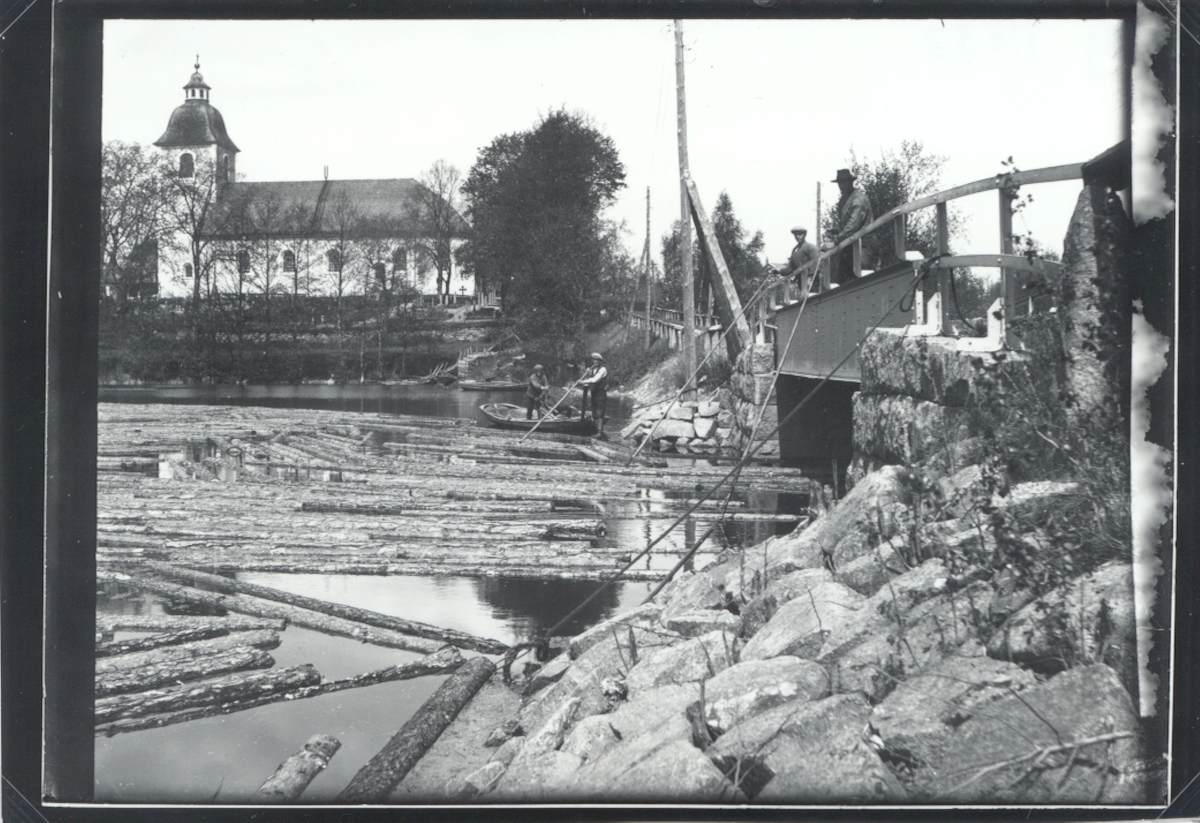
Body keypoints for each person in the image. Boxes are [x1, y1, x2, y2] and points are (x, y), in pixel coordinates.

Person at [823, 169, 875, 286]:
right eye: (840, 183)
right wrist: (836, 229)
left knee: (863, 278)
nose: (842, 186)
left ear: (851, 182)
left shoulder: (858, 199)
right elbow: (846, 224)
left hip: (864, 245)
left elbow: (853, 225)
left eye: (845, 182)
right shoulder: (844, 200)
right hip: (850, 244)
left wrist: (835, 242)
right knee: (843, 279)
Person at [768, 225, 821, 295]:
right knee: (803, 299)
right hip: (800, 281)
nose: (798, 236)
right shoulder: (795, 250)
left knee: (812, 297)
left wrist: (810, 277)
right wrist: (779, 271)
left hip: (811, 279)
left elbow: (816, 263)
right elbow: (790, 268)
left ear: (805, 234)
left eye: (800, 234)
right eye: (796, 235)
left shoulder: (810, 247)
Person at [578, 352, 609, 439]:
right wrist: (587, 373)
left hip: (601, 394)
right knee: (594, 412)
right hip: (594, 393)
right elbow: (589, 378)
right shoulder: (592, 369)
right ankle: (597, 432)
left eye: (597, 360)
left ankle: (600, 432)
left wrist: (583, 382)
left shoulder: (603, 369)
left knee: (599, 412)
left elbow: (595, 379)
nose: (595, 361)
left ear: (600, 361)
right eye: (593, 360)